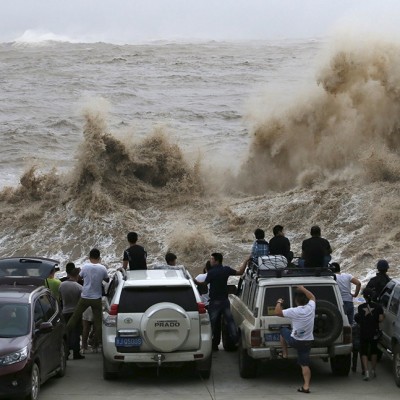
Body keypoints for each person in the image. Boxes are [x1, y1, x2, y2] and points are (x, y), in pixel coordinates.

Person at [195, 253, 247, 351]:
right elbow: (241, 272)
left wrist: (194, 281)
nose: (210, 261)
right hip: (224, 300)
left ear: (216, 260)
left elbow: (204, 285)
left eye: (212, 259)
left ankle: (207, 343)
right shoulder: (226, 269)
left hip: (214, 301)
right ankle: (236, 340)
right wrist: (245, 261)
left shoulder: (212, 272)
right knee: (230, 320)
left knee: (211, 324)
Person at [275, 285, 316, 394]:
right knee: (305, 364)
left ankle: (284, 353)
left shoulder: (294, 311)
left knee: (283, 329)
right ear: (306, 300)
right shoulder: (311, 308)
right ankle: (306, 386)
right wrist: (302, 288)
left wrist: (279, 302)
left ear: (296, 301)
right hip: (307, 342)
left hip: (295, 341)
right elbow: (312, 297)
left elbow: (277, 312)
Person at [66, 248, 109, 347]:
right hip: (96, 298)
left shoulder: (85, 267)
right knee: (98, 324)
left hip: (85, 297)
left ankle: (65, 334)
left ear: (89, 257)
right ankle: (98, 342)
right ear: (99, 258)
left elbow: (79, 278)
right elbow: (106, 280)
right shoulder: (102, 268)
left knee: (75, 317)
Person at [356, 287, 385, 381]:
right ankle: (373, 370)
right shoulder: (378, 307)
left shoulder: (360, 308)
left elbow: (358, 319)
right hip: (374, 331)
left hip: (364, 331)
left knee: (363, 351)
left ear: (364, 297)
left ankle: (366, 371)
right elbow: (380, 319)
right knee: (373, 351)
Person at [59, 267, 85, 359]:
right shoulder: (79, 287)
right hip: (75, 312)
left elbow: (59, 298)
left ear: (69, 275)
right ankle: (76, 353)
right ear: (77, 276)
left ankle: (66, 354)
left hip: (65, 311)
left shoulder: (62, 285)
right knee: (76, 333)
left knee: (67, 333)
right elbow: (82, 300)